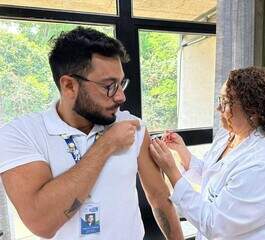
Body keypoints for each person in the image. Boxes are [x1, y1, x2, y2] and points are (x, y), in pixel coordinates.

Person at [0, 27, 183, 240]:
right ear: (69, 86)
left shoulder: (132, 126)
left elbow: (160, 198)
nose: (121, 97)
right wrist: (106, 145)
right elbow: (43, 223)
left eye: (121, 82)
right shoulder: (22, 135)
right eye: (109, 86)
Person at [150, 66, 265, 240]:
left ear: (253, 111)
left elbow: (215, 224)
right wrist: (182, 152)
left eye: (226, 102)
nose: (218, 108)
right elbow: (214, 178)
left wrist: (172, 171)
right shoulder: (230, 135)